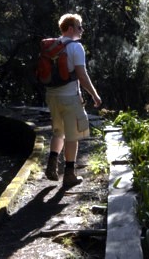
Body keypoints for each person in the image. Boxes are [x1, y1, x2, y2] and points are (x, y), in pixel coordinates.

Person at [44, 13, 102, 187]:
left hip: (52, 96)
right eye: (79, 26)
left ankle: (51, 165)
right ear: (70, 28)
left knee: (57, 131)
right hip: (69, 98)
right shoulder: (76, 47)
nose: (82, 30)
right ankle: (69, 175)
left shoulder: (53, 45)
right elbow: (82, 76)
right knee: (72, 136)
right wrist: (94, 94)